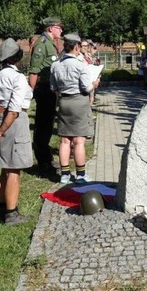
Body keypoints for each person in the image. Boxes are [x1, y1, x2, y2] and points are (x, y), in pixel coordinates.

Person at [0, 39, 33, 225]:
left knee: (4, 168)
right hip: (13, 124)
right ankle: (11, 213)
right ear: (17, 57)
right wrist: (1, 131)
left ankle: (0, 207)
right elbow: (14, 109)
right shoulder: (17, 78)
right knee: (13, 171)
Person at [50, 34, 101, 185]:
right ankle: (80, 174)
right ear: (77, 47)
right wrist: (95, 84)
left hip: (64, 101)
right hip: (79, 101)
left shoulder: (55, 65)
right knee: (79, 140)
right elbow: (86, 87)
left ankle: (64, 174)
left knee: (65, 140)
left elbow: (53, 87)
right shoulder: (81, 65)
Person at [28, 16, 63, 176]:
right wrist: (30, 93)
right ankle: (42, 161)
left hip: (50, 90)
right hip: (43, 89)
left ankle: (46, 157)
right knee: (42, 126)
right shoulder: (41, 44)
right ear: (50, 28)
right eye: (59, 27)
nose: (61, 30)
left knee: (48, 125)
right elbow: (34, 71)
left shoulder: (50, 43)